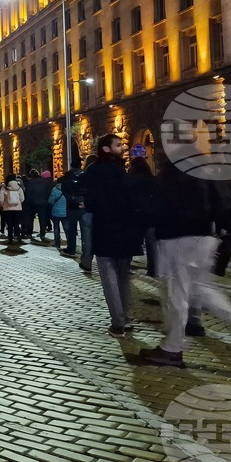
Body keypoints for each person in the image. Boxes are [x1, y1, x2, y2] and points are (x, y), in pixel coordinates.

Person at [140, 159, 231, 368]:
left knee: (176, 293)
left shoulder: (173, 173)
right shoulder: (205, 169)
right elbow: (223, 202)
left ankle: (172, 348)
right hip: (206, 237)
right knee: (202, 290)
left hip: (178, 237)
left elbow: (160, 204)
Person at [84, 134, 141, 337]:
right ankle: (125, 318)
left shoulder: (94, 171)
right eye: (118, 145)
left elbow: (90, 202)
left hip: (106, 230)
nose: (123, 147)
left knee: (110, 279)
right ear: (106, 149)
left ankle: (118, 323)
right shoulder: (123, 172)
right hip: (126, 231)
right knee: (124, 277)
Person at [128, 156, 158, 277]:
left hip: (134, 215)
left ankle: (126, 265)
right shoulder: (153, 180)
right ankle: (153, 269)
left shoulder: (129, 179)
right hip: (150, 215)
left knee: (130, 241)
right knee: (151, 243)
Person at [60, 160, 85, 258]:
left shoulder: (67, 176)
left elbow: (65, 191)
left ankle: (71, 249)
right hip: (84, 206)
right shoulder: (85, 175)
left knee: (72, 229)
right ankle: (86, 250)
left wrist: (73, 199)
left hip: (71, 206)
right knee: (85, 230)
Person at [23, 170, 50, 240]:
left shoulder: (30, 182)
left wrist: (27, 202)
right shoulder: (45, 182)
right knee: (42, 219)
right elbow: (47, 192)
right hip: (42, 202)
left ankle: (29, 233)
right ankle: (42, 234)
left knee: (30, 219)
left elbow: (28, 193)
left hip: (32, 203)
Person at [0, 174, 24, 244]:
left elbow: (1, 199)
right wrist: (18, 203)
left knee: (9, 224)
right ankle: (17, 236)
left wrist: (3, 205)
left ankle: (10, 238)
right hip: (18, 209)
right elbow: (22, 198)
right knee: (16, 223)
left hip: (7, 209)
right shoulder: (19, 187)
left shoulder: (4, 187)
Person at [47, 177, 67, 250]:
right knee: (66, 228)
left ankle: (57, 243)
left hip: (55, 212)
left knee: (56, 227)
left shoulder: (54, 190)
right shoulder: (67, 189)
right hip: (65, 212)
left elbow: (51, 201)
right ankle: (70, 243)